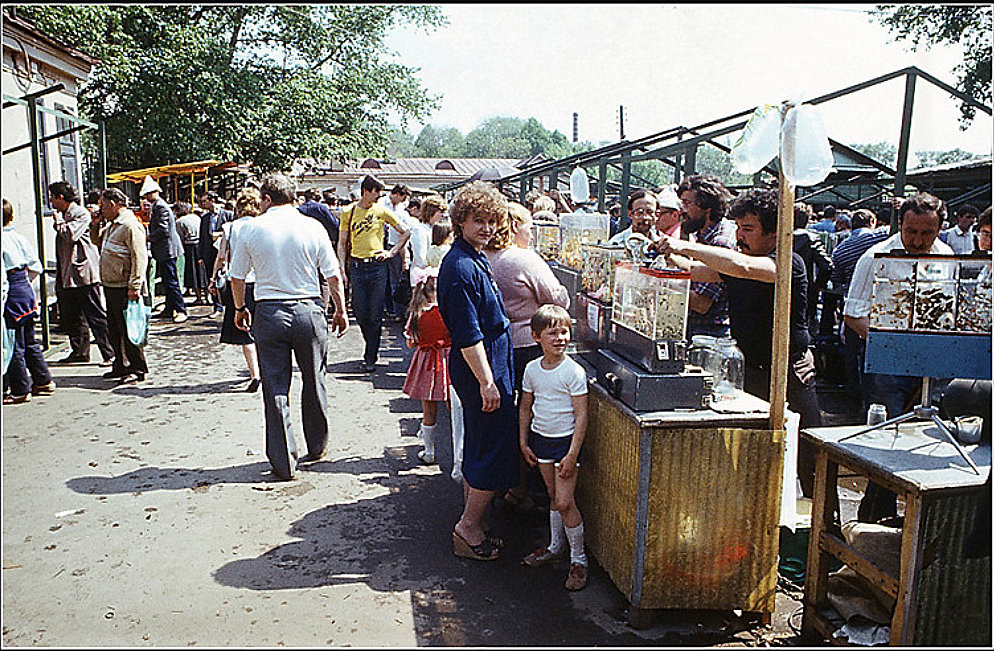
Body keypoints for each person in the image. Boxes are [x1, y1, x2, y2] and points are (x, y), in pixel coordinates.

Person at [652, 186, 822, 497]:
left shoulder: (786, 262)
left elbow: (740, 267)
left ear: (774, 233)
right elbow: (697, 271)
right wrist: (669, 254)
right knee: (754, 452)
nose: (740, 236)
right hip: (752, 370)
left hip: (789, 372)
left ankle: (824, 520)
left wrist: (682, 245)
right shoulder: (743, 260)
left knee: (811, 457)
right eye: (739, 228)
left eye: (748, 229)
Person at [228, 173, 348, 481]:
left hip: (269, 312)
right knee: (315, 378)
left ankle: (284, 463)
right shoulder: (313, 226)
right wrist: (340, 310)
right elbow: (333, 275)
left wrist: (240, 308)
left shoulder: (251, 228)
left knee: (275, 387)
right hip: (308, 309)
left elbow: (237, 277)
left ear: (266, 198)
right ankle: (317, 444)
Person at [841, 192, 953, 522]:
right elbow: (853, 315)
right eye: (911, 232)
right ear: (899, 224)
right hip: (887, 364)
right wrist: (892, 344)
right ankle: (873, 521)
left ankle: (920, 525)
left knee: (926, 445)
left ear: (939, 229)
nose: (918, 241)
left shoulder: (947, 256)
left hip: (932, 363)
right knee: (885, 443)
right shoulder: (875, 257)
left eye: (926, 233)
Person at [437, 180, 518, 562]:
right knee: (492, 448)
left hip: (489, 362)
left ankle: (475, 522)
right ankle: (468, 527)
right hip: (481, 367)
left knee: (480, 443)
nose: (487, 228)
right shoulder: (460, 267)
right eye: (478, 221)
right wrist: (487, 382)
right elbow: (468, 334)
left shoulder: (472, 258)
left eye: (491, 220)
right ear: (460, 221)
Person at [485, 201, 570, 513]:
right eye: (529, 227)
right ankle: (527, 486)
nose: (532, 234)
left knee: (506, 416)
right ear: (513, 226)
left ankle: (509, 484)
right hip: (528, 347)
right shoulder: (523, 259)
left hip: (496, 346)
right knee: (530, 414)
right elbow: (558, 299)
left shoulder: (483, 258)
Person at [518, 304, 589, 590]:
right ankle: (555, 546)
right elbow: (526, 407)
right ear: (536, 336)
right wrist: (523, 441)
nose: (560, 338)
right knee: (551, 495)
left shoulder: (574, 372)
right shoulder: (532, 369)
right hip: (541, 440)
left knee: (564, 502)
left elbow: (581, 414)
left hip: (565, 443)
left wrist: (572, 454)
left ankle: (579, 560)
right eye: (552, 333)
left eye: (564, 332)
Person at [337, 175, 410, 372]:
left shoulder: (381, 211)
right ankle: (370, 342)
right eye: (376, 191)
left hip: (377, 266)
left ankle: (370, 356)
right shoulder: (349, 211)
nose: (378, 195)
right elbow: (342, 242)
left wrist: (392, 252)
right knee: (360, 311)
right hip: (357, 266)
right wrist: (342, 268)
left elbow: (405, 231)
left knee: (375, 314)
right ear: (365, 191)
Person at [47, 181, 114, 366]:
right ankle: (79, 351)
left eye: (52, 197)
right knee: (73, 316)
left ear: (61, 197)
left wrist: (58, 222)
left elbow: (71, 235)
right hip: (67, 273)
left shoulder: (80, 213)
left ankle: (109, 352)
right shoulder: (66, 214)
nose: (51, 201)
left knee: (95, 315)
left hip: (83, 273)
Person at [92, 188, 149, 383]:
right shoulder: (112, 225)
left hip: (124, 285)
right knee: (115, 329)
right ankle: (121, 364)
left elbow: (139, 257)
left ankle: (137, 368)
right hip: (111, 284)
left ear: (112, 204)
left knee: (129, 329)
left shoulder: (130, 225)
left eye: (102, 205)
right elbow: (96, 241)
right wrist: (95, 225)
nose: (101, 209)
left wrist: (135, 285)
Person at [2, 198, 55, 403]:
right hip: (24, 287)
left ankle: (20, 389)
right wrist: (24, 282)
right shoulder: (19, 238)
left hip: (10, 290)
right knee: (30, 339)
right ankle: (43, 380)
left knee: (12, 343)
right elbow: (36, 267)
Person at [211, 187, 262, 393]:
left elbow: (221, 257)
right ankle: (267, 370)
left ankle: (255, 374)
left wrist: (213, 278)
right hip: (262, 283)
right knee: (262, 329)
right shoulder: (263, 226)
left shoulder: (230, 227)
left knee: (244, 330)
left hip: (238, 283)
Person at [677, 175, 737, 338]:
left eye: (687, 203)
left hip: (711, 333)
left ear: (707, 207)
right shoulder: (702, 234)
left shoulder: (721, 242)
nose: (682, 210)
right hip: (697, 328)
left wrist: (661, 285)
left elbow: (702, 303)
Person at [402, 269, 451, 465]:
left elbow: (411, 343)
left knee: (428, 410)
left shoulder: (417, 314)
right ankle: (460, 450)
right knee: (453, 408)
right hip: (447, 361)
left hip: (426, 362)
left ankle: (429, 450)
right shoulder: (447, 312)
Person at [141, 176, 188, 323]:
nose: (147, 197)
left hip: (167, 249)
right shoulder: (158, 206)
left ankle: (180, 309)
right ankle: (169, 308)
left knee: (172, 281)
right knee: (168, 281)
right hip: (164, 250)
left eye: (149, 194)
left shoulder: (161, 207)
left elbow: (163, 229)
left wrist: (148, 237)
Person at [792, 202, 833, 333]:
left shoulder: (777, 237)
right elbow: (827, 266)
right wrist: (817, 286)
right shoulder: (811, 238)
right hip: (805, 290)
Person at [379, 184, 414, 320]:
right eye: (403, 198)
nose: (403, 201)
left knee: (395, 279)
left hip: (395, 245)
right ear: (397, 194)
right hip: (384, 244)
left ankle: (395, 310)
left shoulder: (400, 209)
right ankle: (389, 308)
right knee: (386, 279)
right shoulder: (381, 204)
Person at [198, 191, 234, 317]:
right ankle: (217, 306)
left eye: (205, 201)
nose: (203, 204)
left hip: (224, 251)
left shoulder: (228, 215)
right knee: (212, 279)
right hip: (209, 253)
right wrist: (201, 256)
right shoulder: (204, 218)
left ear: (212, 200)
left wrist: (220, 235)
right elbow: (202, 238)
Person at [408, 195, 447, 287]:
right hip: (422, 278)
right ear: (431, 212)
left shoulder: (434, 229)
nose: (443, 216)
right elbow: (420, 259)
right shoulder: (420, 230)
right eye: (440, 212)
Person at [174, 201, 208, 307]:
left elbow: (180, 237)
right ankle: (207, 296)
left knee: (193, 273)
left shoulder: (179, 222)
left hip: (189, 246)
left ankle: (199, 297)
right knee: (203, 271)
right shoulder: (196, 217)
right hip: (201, 244)